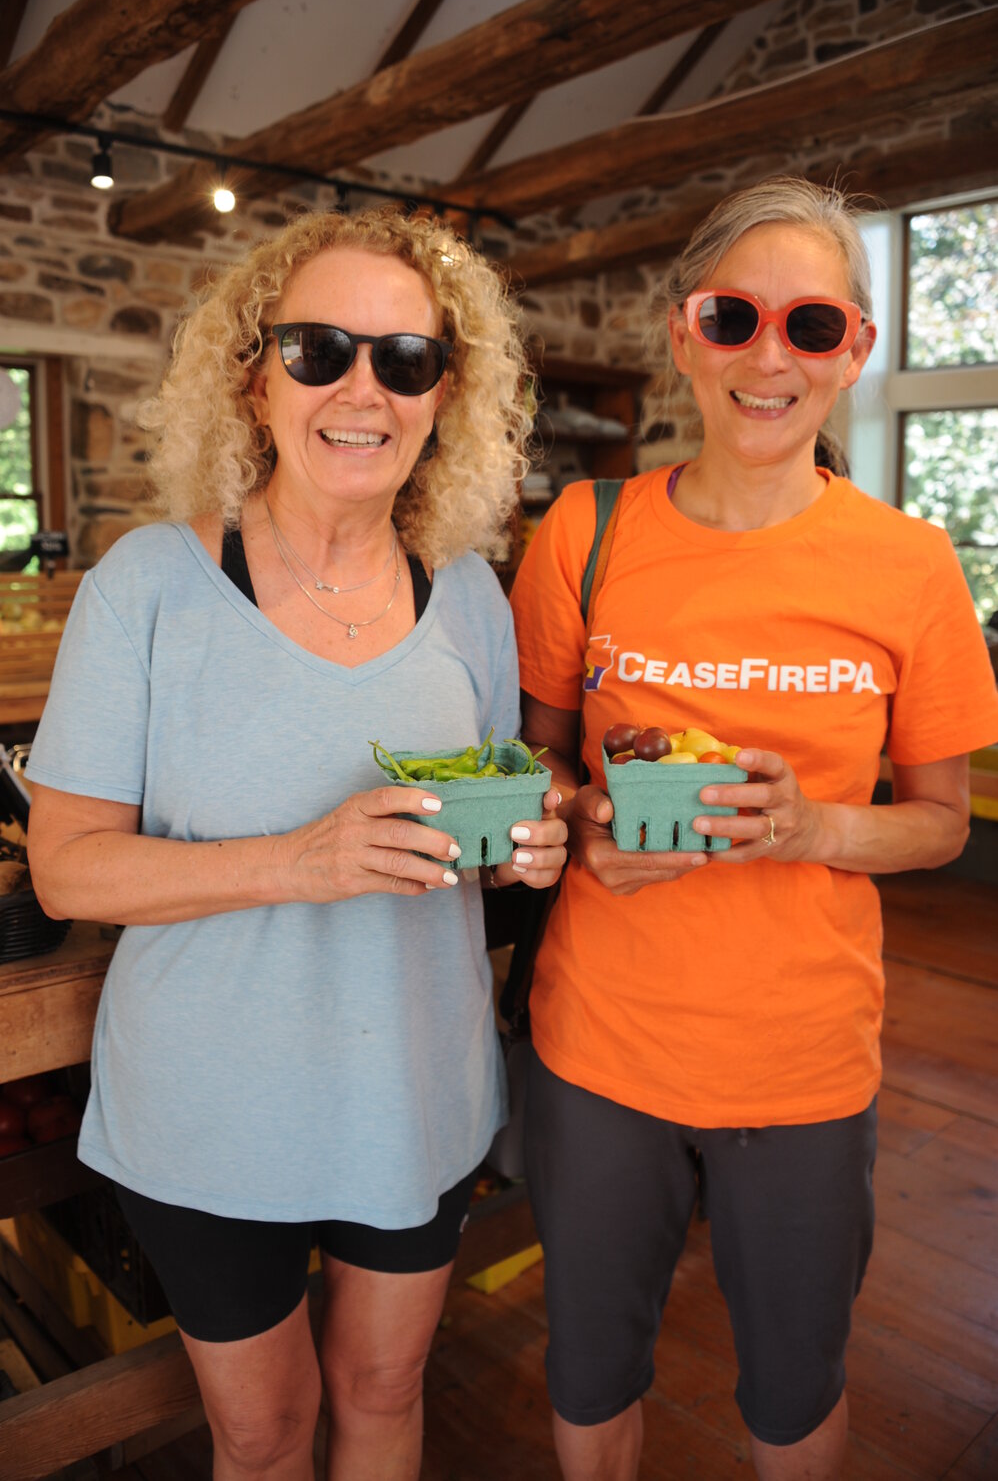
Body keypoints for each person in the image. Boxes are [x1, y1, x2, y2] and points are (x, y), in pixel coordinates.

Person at [26, 203, 566, 1481]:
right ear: (253, 375)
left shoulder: (471, 594)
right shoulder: (147, 585)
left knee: (382, 1390)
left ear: (446, 394)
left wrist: (522, 841)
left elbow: (484, 817)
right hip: (207, 1106)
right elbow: (67, 865)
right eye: (318, 350)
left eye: (405, 358)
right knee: (261, 1434)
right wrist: (298, 860)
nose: (360, 388)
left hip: (414, 1093)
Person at [509, 176, 998, 1481]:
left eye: (810, 326)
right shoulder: (583, 534)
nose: (767, 357)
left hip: (801, 1069)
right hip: (597, 1051)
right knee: (589, 1373)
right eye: (732, 319)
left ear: (855, 351)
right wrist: (584, 820)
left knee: (791, 1393)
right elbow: (537, 764)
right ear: (684, 336)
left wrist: (813, 828)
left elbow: (940, 825)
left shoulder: (909, 567)